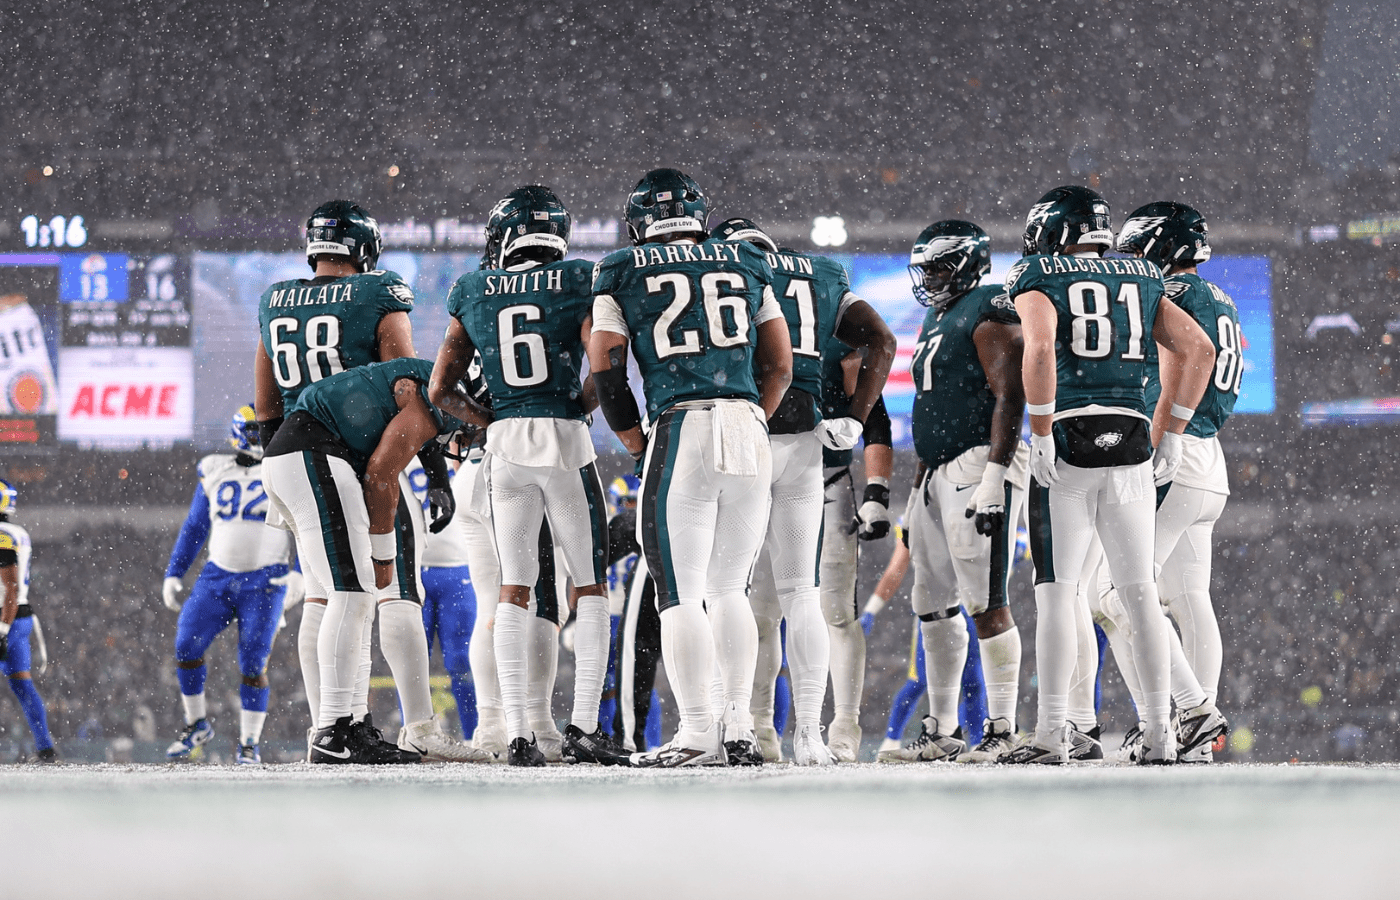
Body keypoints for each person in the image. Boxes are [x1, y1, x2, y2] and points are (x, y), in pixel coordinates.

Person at [254, 199, 474, 762]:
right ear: (364, 248)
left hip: (293, 451)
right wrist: (436, 475)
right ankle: (387, 727)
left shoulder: (275, 299)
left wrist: (276, 461)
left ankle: (336, 721)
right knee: (387, 590)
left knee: (324, 597)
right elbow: (408, 388)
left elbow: (265, 402)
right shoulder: (378, 292)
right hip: (353, 455)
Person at [588, 167, 793, 767]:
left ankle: (699, 731)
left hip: (680, 425)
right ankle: (738, 730)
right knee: (733, 589)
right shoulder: (747, 261)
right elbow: (778, 365)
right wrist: (751, 415)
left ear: (638, 222)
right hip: (749, 426)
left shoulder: (619, 270)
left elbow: (606, 369)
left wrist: (633, 440)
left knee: (679, 595)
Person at [1004, 185, 1215, 765]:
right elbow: (1197, 349)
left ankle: (1052, 733)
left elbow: (1041, 348)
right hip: (1130, 438)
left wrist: (1041, 429)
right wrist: (1172, 431)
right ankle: (1160, 734)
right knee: (1140, 593)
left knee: (1057, 594)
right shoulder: (1142, 275)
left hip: (1069, 434)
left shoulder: (1037, 273)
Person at [429, 185, 623, 767]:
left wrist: (490, 419)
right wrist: (580, 406)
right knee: (586, 586)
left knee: (510, 591)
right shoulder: (579, 279)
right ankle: (582, 725)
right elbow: (602, 364)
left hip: (502, 449)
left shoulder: (471, 288)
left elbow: (441, 389)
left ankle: (512, 731)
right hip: (565, 439)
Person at [710, 217, 895, 765]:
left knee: (739, 598)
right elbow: (881, 346)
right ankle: (804, 733)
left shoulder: (724, 278)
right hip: (810, 454)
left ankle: (749, 726)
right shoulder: (820, 280)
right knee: (801, 599)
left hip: (757, 446)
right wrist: (856, 421)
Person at [262, 357, 492, 764]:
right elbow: (381, 475)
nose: (467, 432)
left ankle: (349, 726)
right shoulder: (429, 399)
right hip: (312, 457)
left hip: (299, 455)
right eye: (472, 417)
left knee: (355, 597)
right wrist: (385, 554)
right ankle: (332, 731)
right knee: (351, 594)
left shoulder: (419, 379)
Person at [885, 220, 1029, 764]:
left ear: (968, 262)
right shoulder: (938, 314)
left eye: (940, 266)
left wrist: (996, 473)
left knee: (985, 600)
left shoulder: (990, 306)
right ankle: (942, 729)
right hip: (936, 470)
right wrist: (917, 483)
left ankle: (1002, 730)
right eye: (926, 267)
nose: (930, 277)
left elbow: (1009, 394)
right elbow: (933, 408)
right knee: (931, 602)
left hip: (977, 463)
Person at [1116, 201, 1238, 761]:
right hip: (1209, 455)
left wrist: (1165, 434)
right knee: (1189, 598)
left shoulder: (1178, 298)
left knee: (1116, 594)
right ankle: (1198, 738)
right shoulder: (1221, 298)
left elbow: (1182, 368)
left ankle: (1191, 712)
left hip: (1176, 451)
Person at [161, 405, 300, 765]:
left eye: (263, 431)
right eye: (253, 431)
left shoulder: (286, 469)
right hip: (217, 577)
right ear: (237, 433)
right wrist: (174, 572)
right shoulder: (214, 469)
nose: (259, 438)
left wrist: (301, 571)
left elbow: (307, 522)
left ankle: (249, 745)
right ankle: (196, 725)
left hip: (265, 580)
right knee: (185, 646)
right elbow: (195, 528)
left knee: (254, 665)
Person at [816, 342, 896, 762]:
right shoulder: (753, 321)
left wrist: (876, 492)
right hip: (767, 481)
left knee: (836, 613)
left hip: (826, 481)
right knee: (761, 611)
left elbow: (876, 421)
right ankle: (755, 724)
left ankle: (845, 723)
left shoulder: (837, 341)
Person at [0, 480, 56, 763]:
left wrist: (1, 629)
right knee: (22, 685)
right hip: (20, 616)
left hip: (5, 615)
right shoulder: (17, 532)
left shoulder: (1, 535)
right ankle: (45, 748)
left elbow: (9, 587)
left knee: (22, 685)